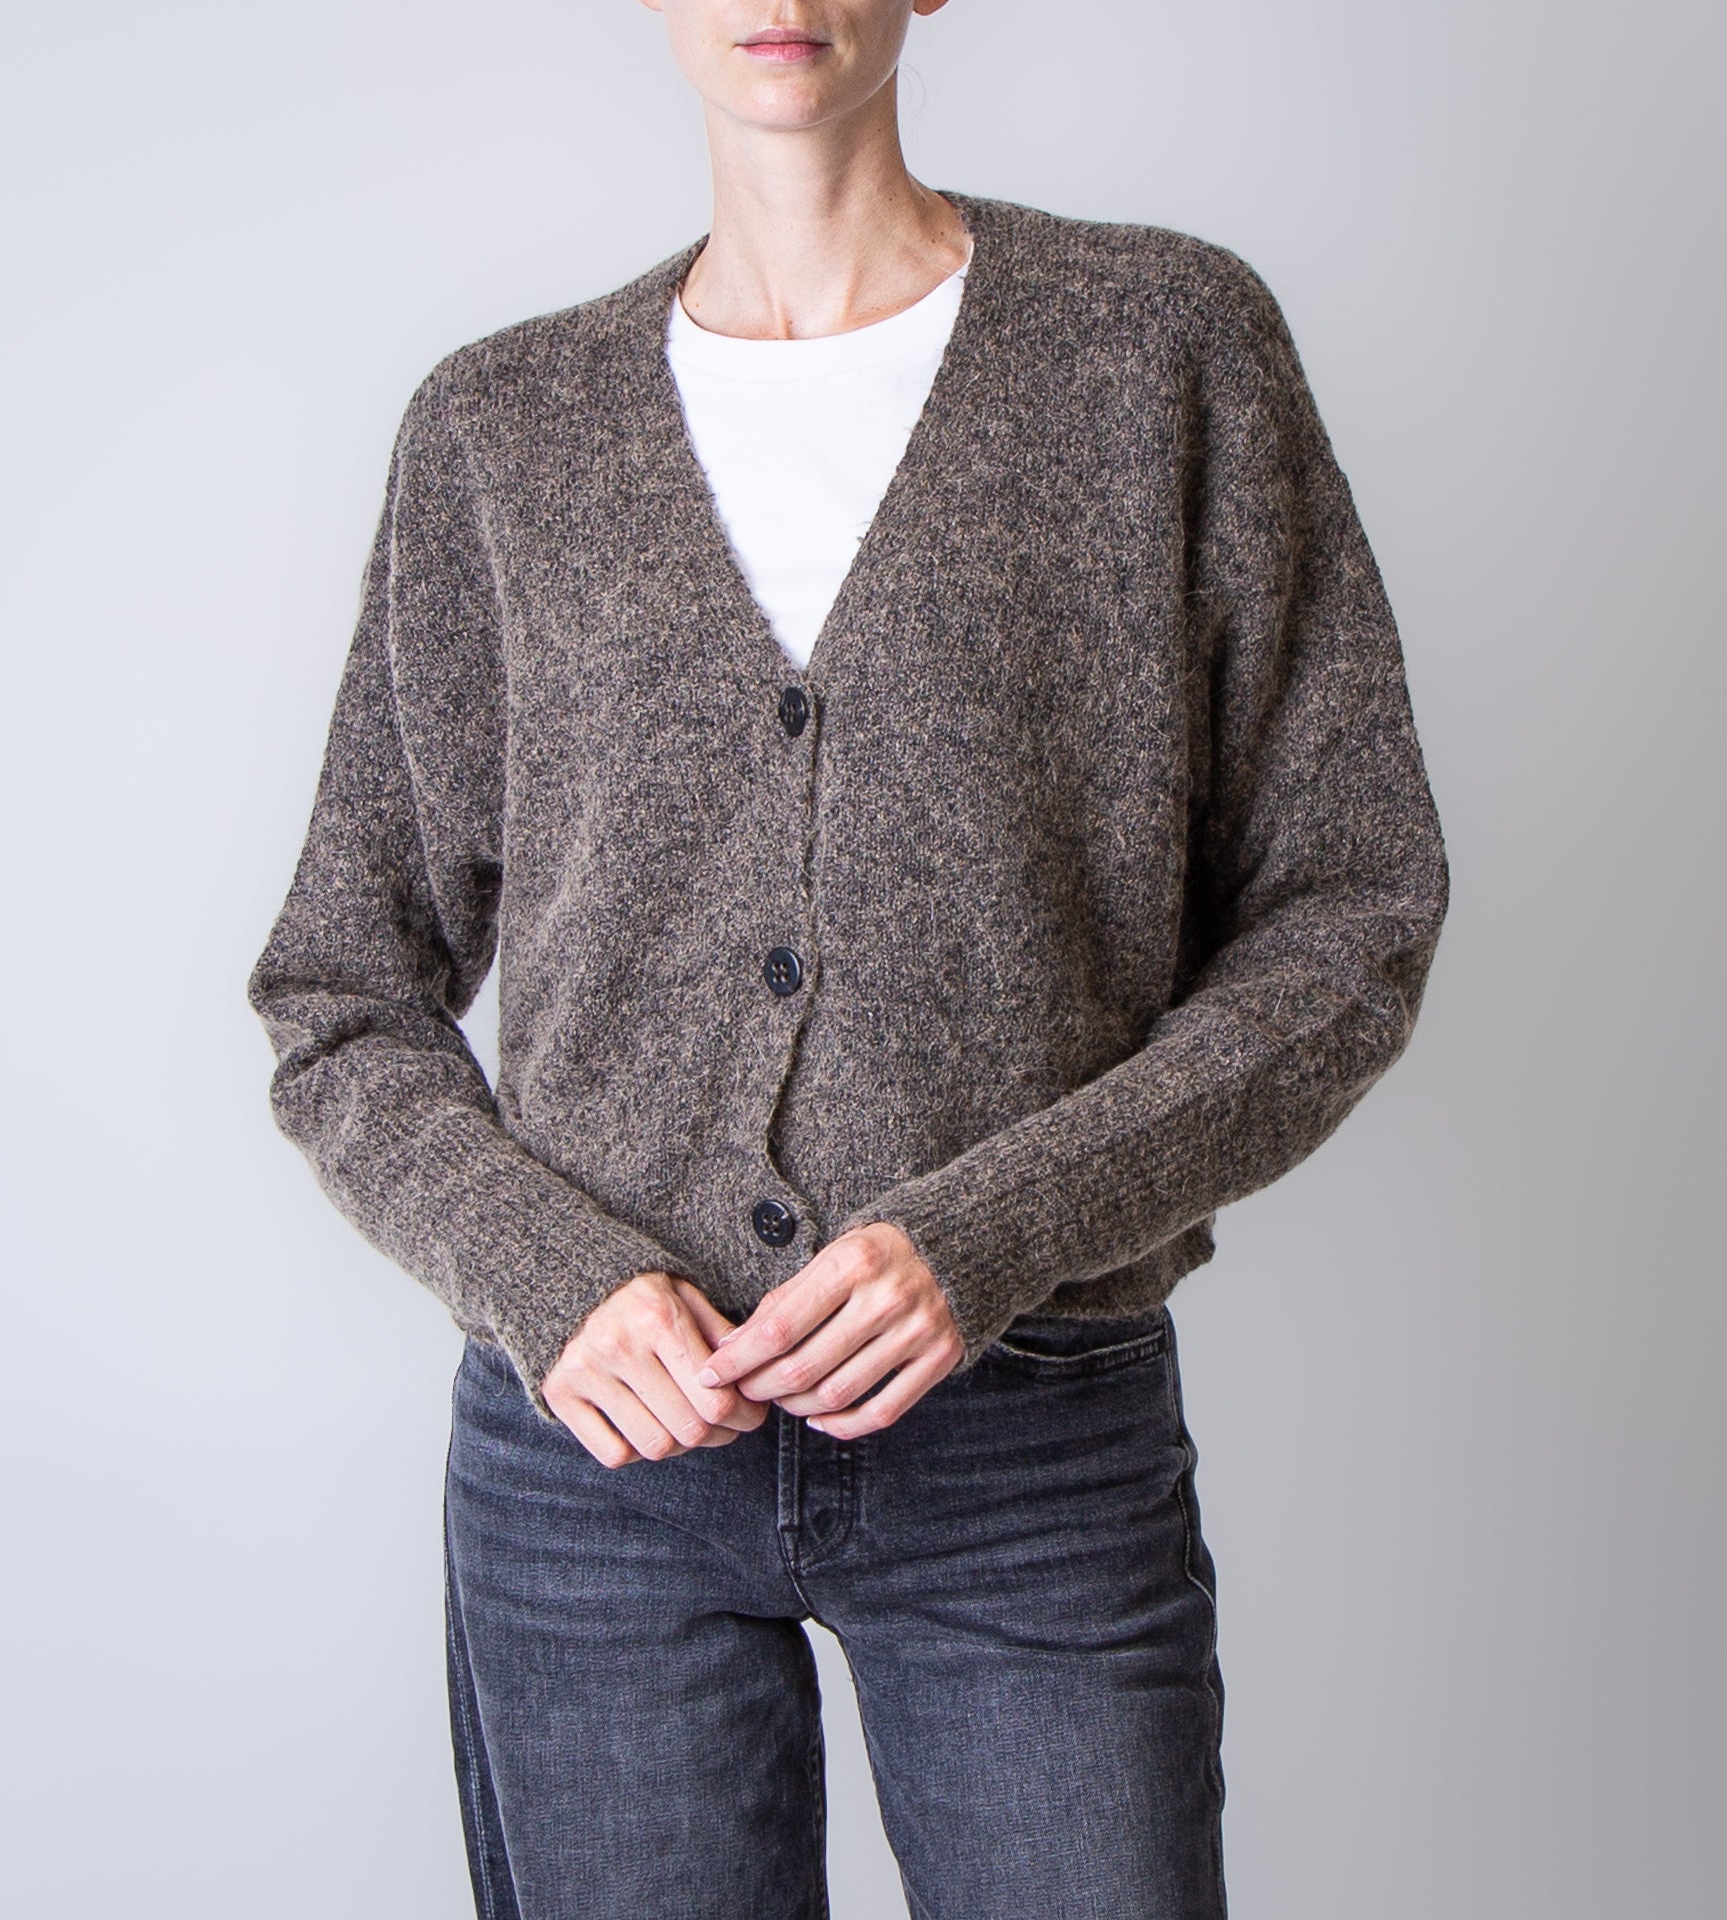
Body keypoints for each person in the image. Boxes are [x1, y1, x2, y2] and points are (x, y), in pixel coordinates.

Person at [247, 2, 1450, 1914]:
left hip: (1028, 1447)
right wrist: (548, 1278)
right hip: (599, 1478)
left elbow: (1351, 913)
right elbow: (341, 993)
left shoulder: (1160, 348)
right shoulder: (499, 428)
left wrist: (1001, 1228)